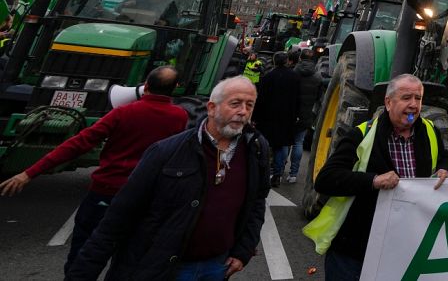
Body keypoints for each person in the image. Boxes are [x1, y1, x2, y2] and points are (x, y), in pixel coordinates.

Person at [66, 77, 270, 281]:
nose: (243, 111)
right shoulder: (166, 152)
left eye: (249, 105)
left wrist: (243, 251)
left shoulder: (257, 150)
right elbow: (117, 218)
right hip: (162, 269)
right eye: (235, 103)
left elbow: (257, 202)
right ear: (211, 108)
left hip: (217, 266)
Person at [1, 66, 188, 274]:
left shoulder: (123, 113)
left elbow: (78, 144)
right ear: (175, 88)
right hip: (145, 198)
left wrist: (29, 173)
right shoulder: (179, 117)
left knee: (85, 253)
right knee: (128, 257)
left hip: (106, 193)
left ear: (145, 86)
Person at [309, 73, 448, 281]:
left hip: (401, 248)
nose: (413, 105)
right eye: (406, 98)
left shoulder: (430, 132)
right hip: (355, 250)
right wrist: (373, 181)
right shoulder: (362, 134)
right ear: (388, 102)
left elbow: (445, 158)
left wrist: (444, 169)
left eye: (418, 98)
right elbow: (326, 179)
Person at [253, 50, 302, 185]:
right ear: (286, 61)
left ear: (274, 61)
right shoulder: (294, 77)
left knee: (265, 145)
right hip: (286, 117)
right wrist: (296, 115)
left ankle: (263, 172)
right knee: (280, 146)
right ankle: (277, 174)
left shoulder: (268, 77)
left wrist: (255, 117)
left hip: (267, 116)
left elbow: (260, 99)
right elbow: (298, 98)